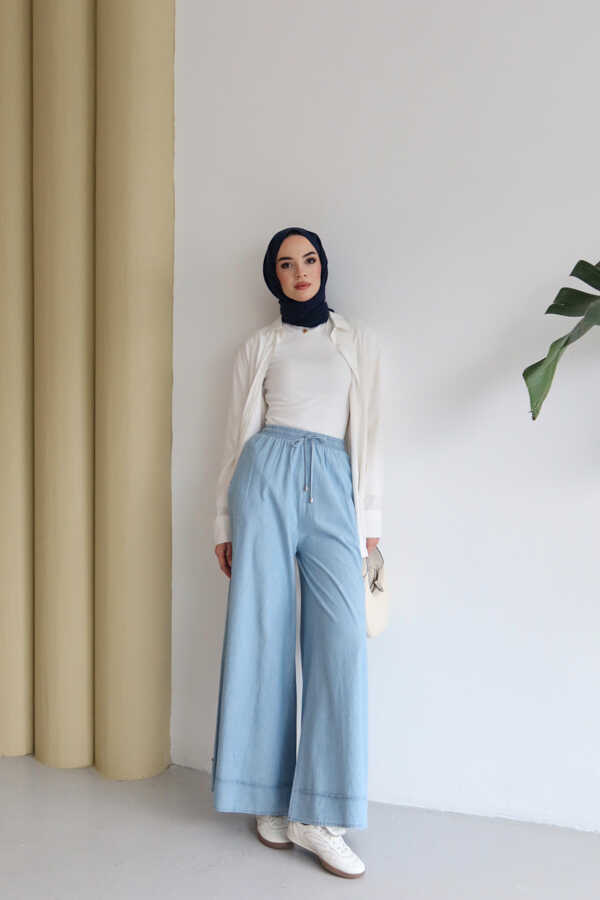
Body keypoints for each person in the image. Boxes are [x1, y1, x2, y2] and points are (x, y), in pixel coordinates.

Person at [210, 226, 384, 879]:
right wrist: (223, 519)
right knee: (261, 633)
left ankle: (321, 812)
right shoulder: (261, 346)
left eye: (308, 259)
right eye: (286, 264)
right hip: (265, 477)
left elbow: (370, 432)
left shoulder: (356, 343)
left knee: (341, 643)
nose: (300, 271)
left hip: (334, 484)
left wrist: (371, 519)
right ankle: (265, 795)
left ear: (323, 266)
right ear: (273, 276)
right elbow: (236, 436)